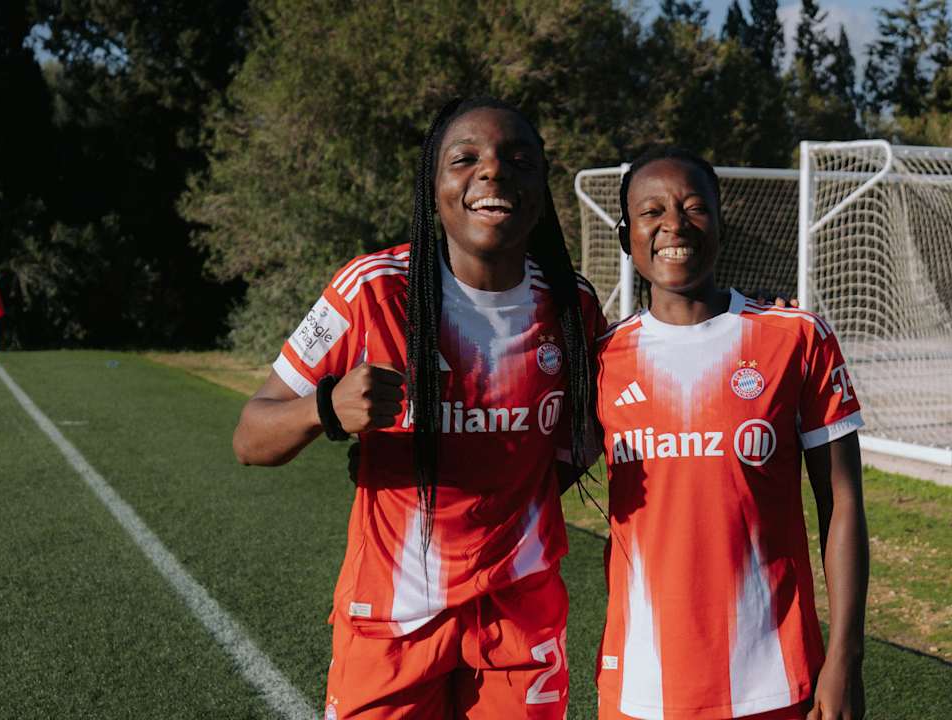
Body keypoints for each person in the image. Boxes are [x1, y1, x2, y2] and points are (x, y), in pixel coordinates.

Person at [232, 96, 605, 720]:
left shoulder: (573, 307)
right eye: (465, 159)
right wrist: (325, 408)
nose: (492, 172)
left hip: (520, 615)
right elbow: (249, 436)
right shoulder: (372, 289)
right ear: (433, 186)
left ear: (540, 190)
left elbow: (569, 450)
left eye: (518, 159)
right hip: (392, 618)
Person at [593, 147, 869, 720]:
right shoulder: (601, 358)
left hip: (774, 676)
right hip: (641, 681)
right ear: (626, 236)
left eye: (694, 207)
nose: (674, 225)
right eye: (652, 212)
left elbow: (841, 503)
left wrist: (845, 657)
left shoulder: (796, 338)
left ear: (720, 225)